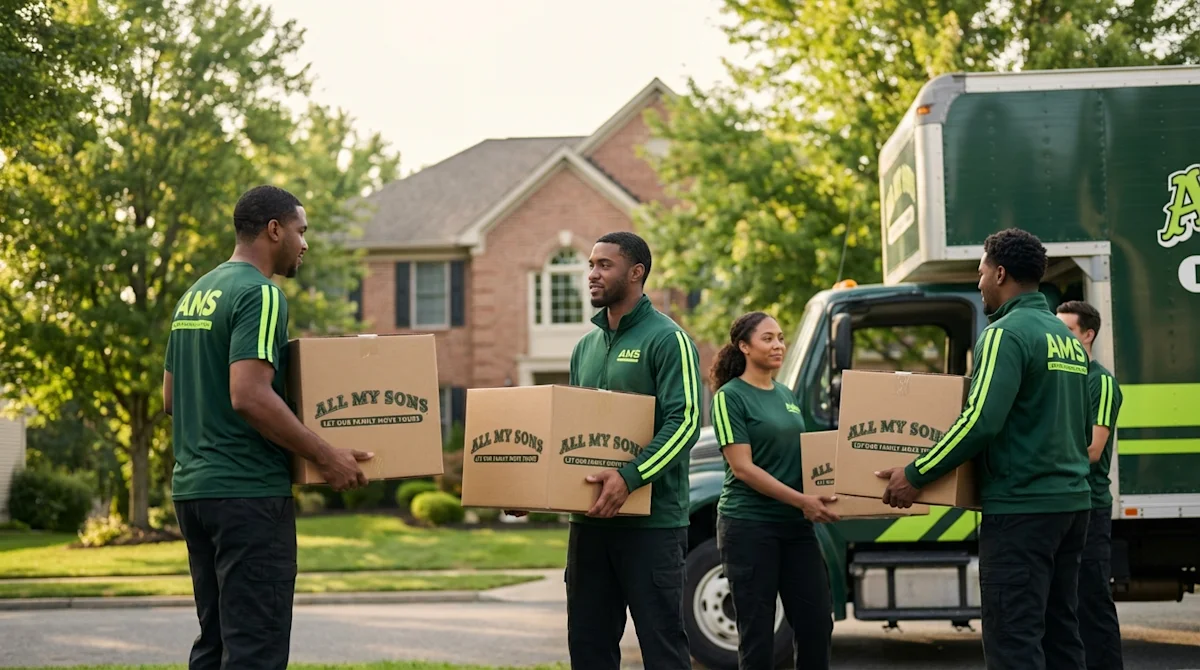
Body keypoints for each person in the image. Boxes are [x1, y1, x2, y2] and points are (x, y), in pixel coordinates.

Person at [163, 185, 372, 670]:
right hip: (248, 496)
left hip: (194, 494)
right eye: (301, 232)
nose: (304, 244)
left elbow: (172, 400)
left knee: (214, 646)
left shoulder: (195, 295)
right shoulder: (261, 293)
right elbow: (250, 395)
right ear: (274, 230)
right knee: (255, 649)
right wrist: (326, 455)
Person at [876, 227, 1093, 670]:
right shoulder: (1065, 337)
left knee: (1014, 639)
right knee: (1060, 635)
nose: (978, 284)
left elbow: (980, 420)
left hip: (1022, 511)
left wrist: (915, 474)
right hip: (1070, 506)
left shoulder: (1005, 334)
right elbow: (1079, 423)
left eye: (980, 273)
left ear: (999, 272)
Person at [558, 231, 700, 669]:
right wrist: (534, 490)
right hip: (590, 524)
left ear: (636, 273)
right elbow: (572, 432)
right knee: (588, 646)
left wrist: (630, 477)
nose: (592, 275)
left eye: (604, 265)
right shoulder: (586, 347)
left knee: (662, 649)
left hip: (651, 528)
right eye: (591, 265)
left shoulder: (667, 339)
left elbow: (687, 421)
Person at [709, 311, 838, 670]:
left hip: (795, 527)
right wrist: (803, 501)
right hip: (748, 527)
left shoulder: (786, 395)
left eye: (780, 337)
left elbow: (803, 458)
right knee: (758, 635)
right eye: (767, 338)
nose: (778, 345)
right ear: (744, 346)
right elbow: (743, 467)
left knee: (816, 624)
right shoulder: (730, 397)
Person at [1057, 299, 1125, 670]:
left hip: (1091, 505)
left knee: (1092, 602)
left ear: (1088, 334)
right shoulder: (1060, 376)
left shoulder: (1100, 382)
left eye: (1068, 329)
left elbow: (1094, 451)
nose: (1060, 336)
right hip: (1065, 503)